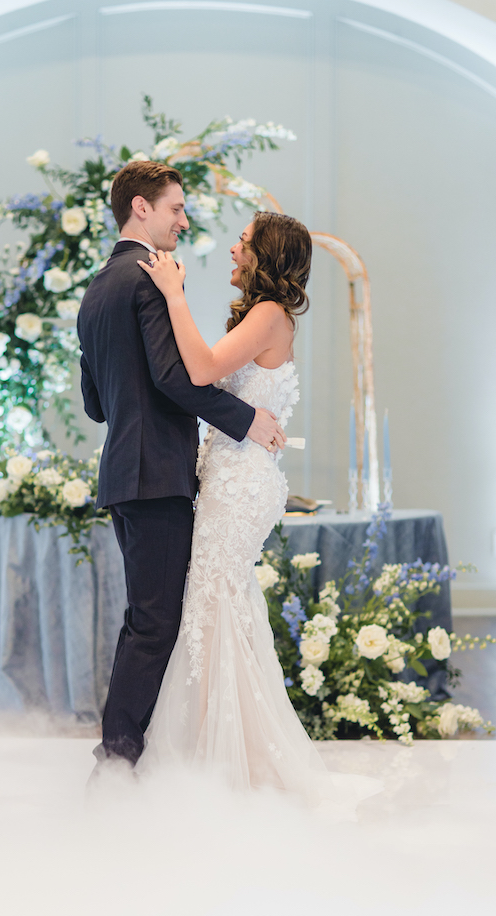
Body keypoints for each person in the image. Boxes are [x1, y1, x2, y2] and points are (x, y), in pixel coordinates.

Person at [136, 213, 374, 809]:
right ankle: (222, 748)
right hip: (231, 472)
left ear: (264, 252)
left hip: (240, 482)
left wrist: (172, 293)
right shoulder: (263, 314)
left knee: (214, 603)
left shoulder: (268, 315)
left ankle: (228, 760)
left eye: (244, 239)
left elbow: (201, 370)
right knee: (219, 605)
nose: (235, 245)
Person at [77, 161, 286, 773]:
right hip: (155, 474)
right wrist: (246, 419)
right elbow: (175, 377)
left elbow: (95, 404)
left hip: (124, 472)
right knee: (153, 625)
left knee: (146, 617)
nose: (184, 220)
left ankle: (130, 760)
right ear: (140, 208)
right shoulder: (147, 279)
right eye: (176, 208)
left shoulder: (95, 288)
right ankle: (114, 765)